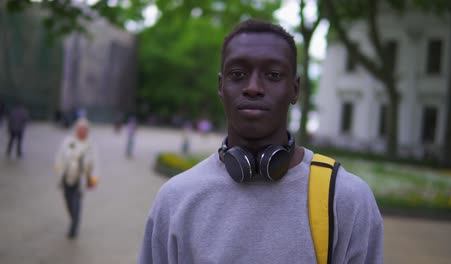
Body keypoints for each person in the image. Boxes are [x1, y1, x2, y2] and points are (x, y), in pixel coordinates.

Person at [139, 19, 383, 263]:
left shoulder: (347, 199)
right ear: (220, 86)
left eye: (273, 75)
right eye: (238, 74)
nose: (253, 88)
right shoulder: (175, 200)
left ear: (295, 89)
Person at [55, 118, 97, 239]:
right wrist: (59, 169)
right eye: (80, 129)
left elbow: (95, 164)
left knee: (76, 204)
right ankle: (74, 219)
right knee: (68, 202)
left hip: (80, 181)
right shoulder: (68, 141)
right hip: (66, 178)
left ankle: (73, 228)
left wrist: (93, 179)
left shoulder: (90, 145)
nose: (82, 132)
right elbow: (59, 156)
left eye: (85, 130)